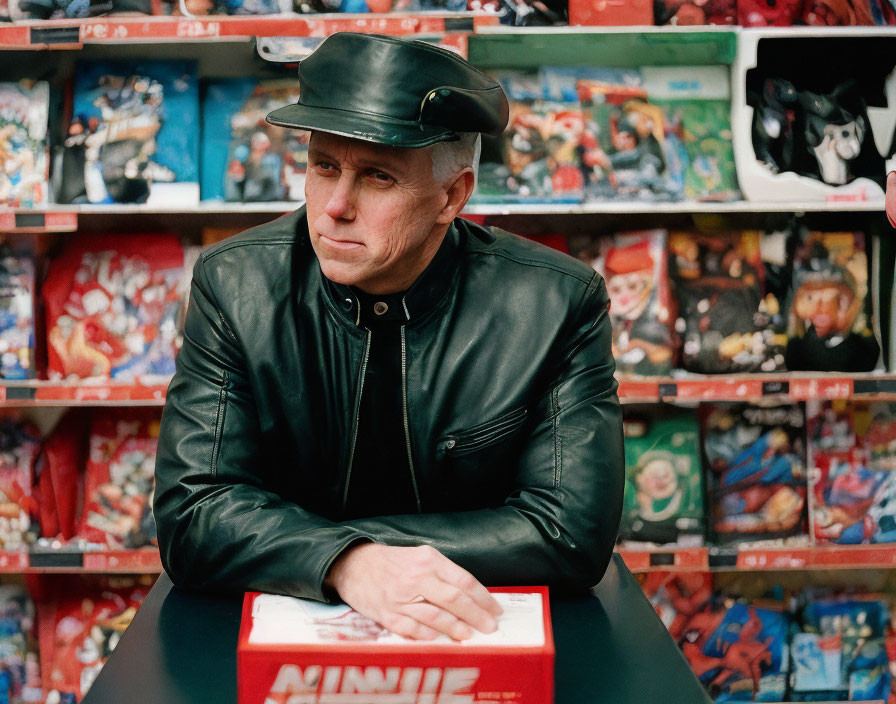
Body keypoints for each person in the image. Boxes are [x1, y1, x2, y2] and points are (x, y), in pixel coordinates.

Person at [153, 32, 624, 644]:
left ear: (451, 196)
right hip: (273, 648)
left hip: (476, 640)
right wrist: (349, 563)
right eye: (324, 167)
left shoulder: (557, 303)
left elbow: (568, 533)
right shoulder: (235, 285)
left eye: (376, 177)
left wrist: (319, 544)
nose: (334, 207)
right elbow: (191, 515)